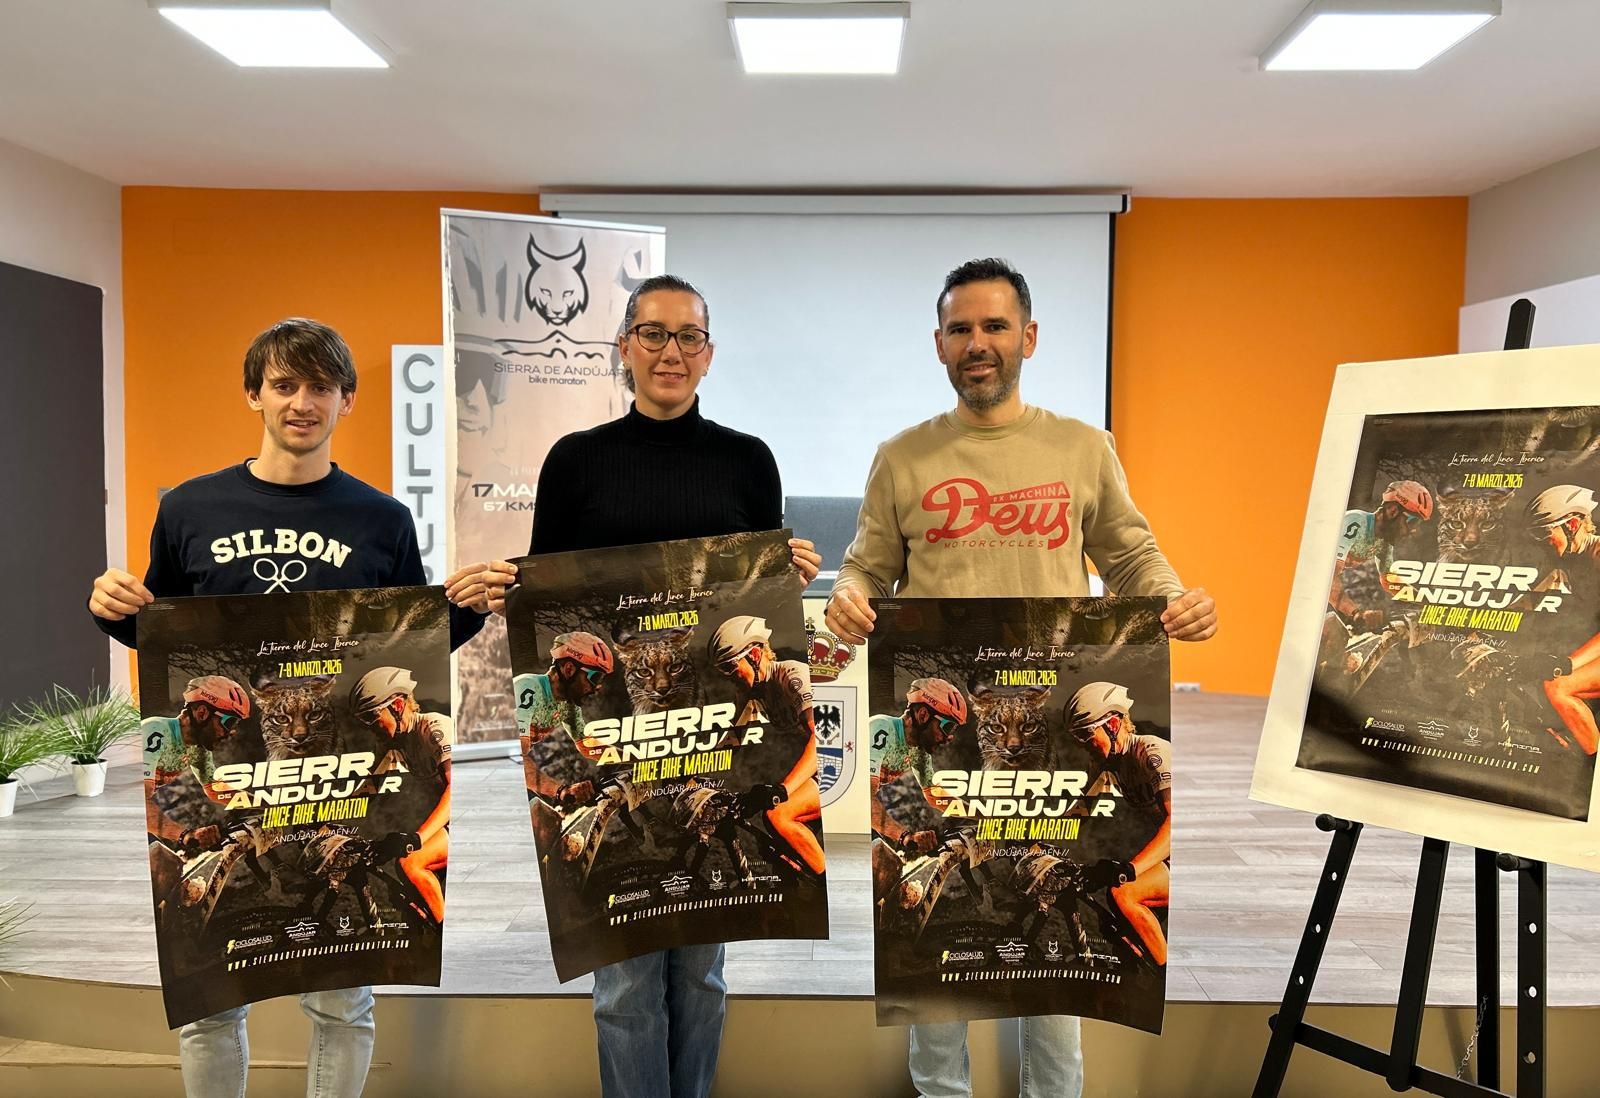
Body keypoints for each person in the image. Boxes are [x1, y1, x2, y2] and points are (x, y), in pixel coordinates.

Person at [824, 258, 1217, 1098]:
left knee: (1055, 926)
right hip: (943, 742)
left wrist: (1174, 601)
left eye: (995, 327)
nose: (979, 344)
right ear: (939, 345)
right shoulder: (901, 458)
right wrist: (849, 601)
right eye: (961, 329)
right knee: (938, 925)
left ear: (1028, 338)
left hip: (1052, 743)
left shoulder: (1082, 447)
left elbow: (1130, 553)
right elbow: (864, 567)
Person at [87, 317, 496, 1098]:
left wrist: (464, 611)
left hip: (335, 791)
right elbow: (168, 642)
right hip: (226, 791)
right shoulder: (190, 509)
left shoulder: (382, 521)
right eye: (283, 385)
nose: (300, 403)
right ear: (254, 394)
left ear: (347, 400)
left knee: (342, 999)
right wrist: (111, 609)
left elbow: (400, 660)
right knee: (211, 1001)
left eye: (319, 388)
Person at [477, 274, 821, 1098]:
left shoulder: (747, 461)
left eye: (689, 337)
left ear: (709, 353)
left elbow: (754, 616)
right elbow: (552, 610)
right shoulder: (576, 462)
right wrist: (507, 590)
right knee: (624, 980)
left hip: (714, 751)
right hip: (610, 746)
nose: (672, 352)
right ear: (624, 348)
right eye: (654, 334)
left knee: (701, 971)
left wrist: (789, 580)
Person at [707, 614, 825, 875]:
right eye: (721, 670)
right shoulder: (750, 692)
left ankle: (835, 887)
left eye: (729, 667)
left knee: (779, 815)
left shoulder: (793, 677)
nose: (727, 676)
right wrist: (692, 776)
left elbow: (824, 741)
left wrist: (783, 790)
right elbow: (731, 741)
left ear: (755, 654)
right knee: (776, 851)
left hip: (848, 754)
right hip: (826, 763)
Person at [1064, 681, 1172, 965]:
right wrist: (1034, 837)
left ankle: (1165, 976)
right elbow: (1080, 811)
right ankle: (1143, 973)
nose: (1082, 746)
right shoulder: (1106, 762)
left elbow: (1179, 823)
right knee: (1115, 916)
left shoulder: (1151, 753)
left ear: (1112, 724)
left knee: (1124, 893)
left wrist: (1130, 869)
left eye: (1085, 735)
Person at [350, 666, 453, 923]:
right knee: (404, 890)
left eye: (371, 719)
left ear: (396, 705)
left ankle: (448, 934)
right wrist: (327, 822)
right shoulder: (393, 742)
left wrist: (418, 839)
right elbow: (367, 790)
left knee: (412, 863)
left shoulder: (434, 728)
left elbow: (458, 791)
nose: (370, 728)